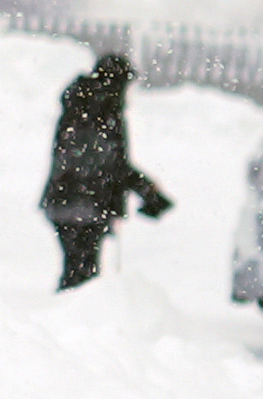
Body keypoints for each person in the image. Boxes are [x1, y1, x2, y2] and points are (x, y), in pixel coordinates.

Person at [40, 50, 173, 289]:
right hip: (85, 201)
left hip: (66, 197)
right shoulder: (101, 111)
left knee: (77, 270)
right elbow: (108, 164)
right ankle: (70, 322)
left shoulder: (81, 105)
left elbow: (105, 162)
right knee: (82, 273)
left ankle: (68, 319)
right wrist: (145, 190)